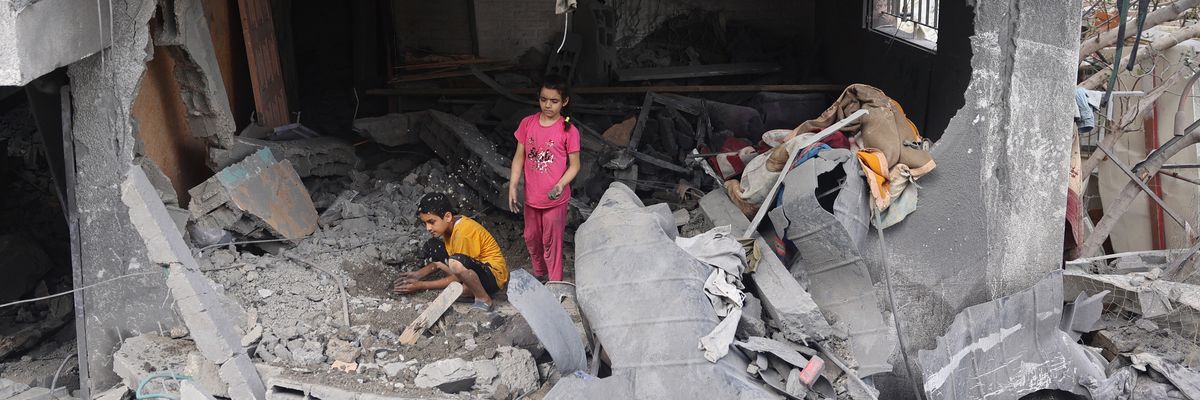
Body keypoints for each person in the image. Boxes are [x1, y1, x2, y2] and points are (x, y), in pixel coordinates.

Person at [508, 75, 581, 282]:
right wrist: (513, 187)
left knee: (552, 242)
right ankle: (540, 275)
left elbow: (575, 165)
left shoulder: (568, 130)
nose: (548, 105)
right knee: (531, 238)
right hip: (532, 197)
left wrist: (560, 184)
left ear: (564, 101)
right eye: (543, 99)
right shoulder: (527, 123)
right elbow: (518, 158)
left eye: (554, 101)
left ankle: (555, 282)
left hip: (554, 200)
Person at [393, 192, 508, 311]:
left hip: (494, 276)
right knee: (432, 246)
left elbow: (458, 273)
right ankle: (467, 288)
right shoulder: (450, 226)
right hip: (471, 266)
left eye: (431, 222)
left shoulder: (463, 234)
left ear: (447, 217)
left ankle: (483, 299)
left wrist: (421, 285)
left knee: (457, 288)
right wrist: (418, 275)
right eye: (425, 223)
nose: (428, 228)